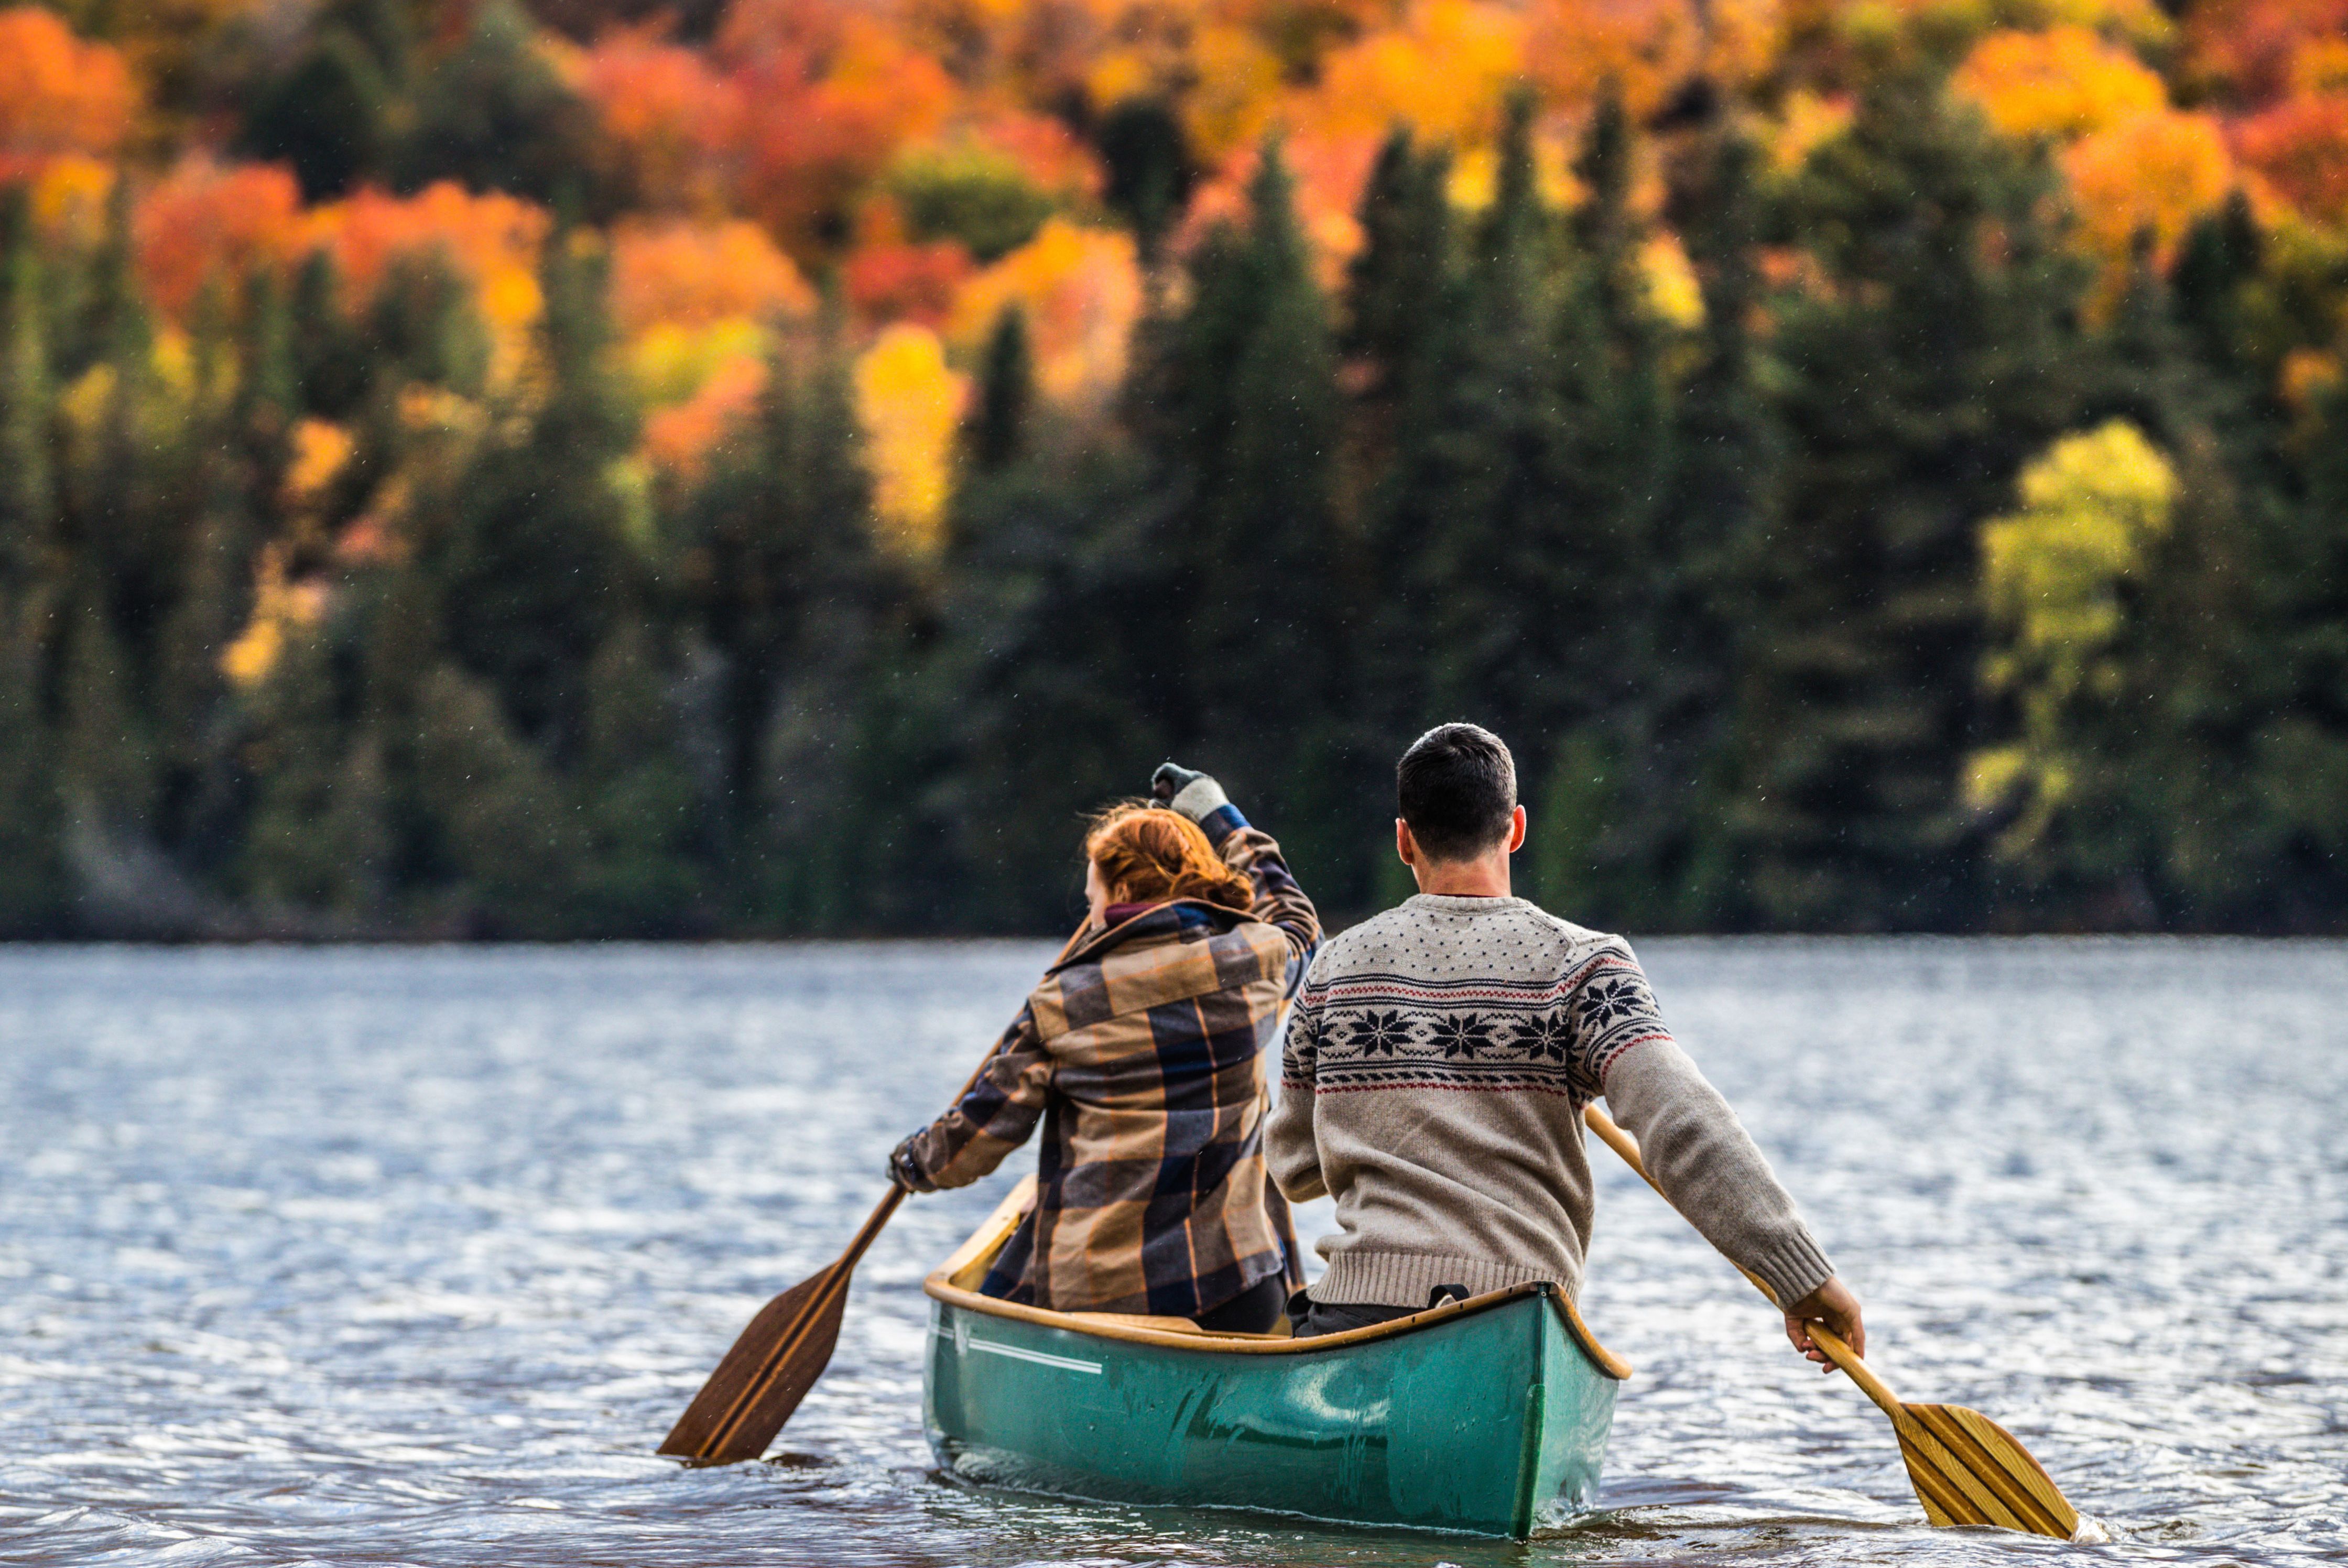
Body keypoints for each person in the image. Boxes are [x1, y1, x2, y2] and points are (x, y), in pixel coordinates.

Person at [1265, 723, 1865, 1366]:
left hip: (1355, 1319)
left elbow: (1297, 1167)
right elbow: (1683, 1121)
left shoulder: (1335, 967)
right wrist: (1800, 1275)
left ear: (1403, 839)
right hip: (1521, 1322)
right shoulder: (1585, 966)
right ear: (1516, 828)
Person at [887, 764, 1320, 1333]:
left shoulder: (1061, 1000)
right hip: (1233, 1287)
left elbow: (977, 1138)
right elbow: (1295, 917)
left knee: (1014, 1279)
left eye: (1092, 894)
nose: (1089, 912)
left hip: (1099, 1297)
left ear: (1119, 892)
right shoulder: (1257, 961)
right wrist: (1217, 816)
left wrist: (914, 1162)